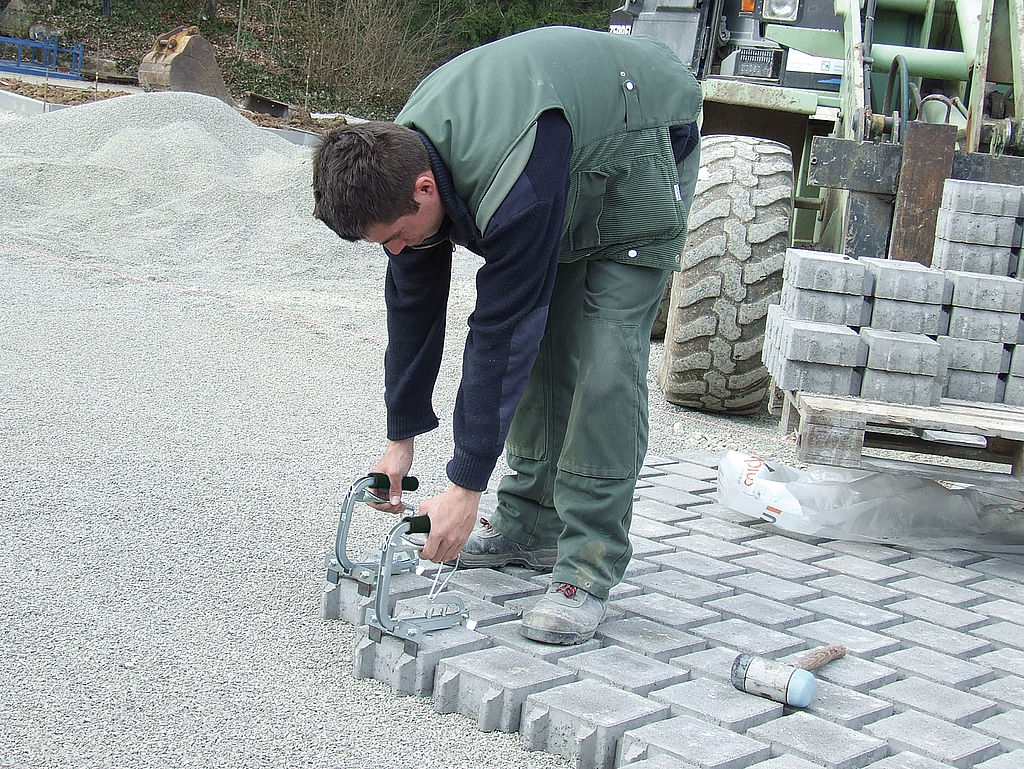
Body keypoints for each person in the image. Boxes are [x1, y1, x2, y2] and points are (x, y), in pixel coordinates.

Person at [312, 25, 702, 645]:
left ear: (424, 189)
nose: (397, 251)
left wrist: (464, 484)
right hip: (566, 149)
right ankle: (529, 523)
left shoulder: (510, 174)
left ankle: (587, 565)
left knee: (603, 357)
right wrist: (400, 439)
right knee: (544, 345)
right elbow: (414, 311)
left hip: (641, 144)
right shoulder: (398, 162)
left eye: (395, 237)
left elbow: (501, 327)